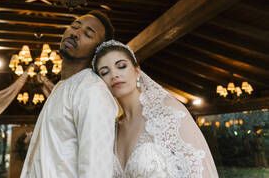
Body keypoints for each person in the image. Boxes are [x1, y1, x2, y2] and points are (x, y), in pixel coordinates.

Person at [92, 40, 219, 178]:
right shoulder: (110, 130)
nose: (114, 75)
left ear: (137, 71)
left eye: (121, 66)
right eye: (104, 72)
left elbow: (200, 172)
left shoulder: (168, 113)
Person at [20, 11, 119, 178]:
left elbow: (96, 170)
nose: (75, 33)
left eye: (88, 34)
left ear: (98, 51)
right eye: (75, 26)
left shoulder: (92, 90)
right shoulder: (61, 86)